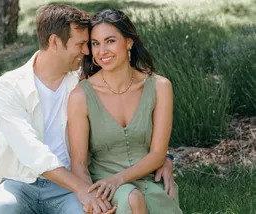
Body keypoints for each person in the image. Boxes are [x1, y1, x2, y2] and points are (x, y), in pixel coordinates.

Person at [0, 4, 175, 214]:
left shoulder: (80, 81)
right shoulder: (8, 87)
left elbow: (127, 108)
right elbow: (33, 153)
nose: (88, 51)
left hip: (67, 189)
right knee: (2, 210)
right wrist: (82, 189)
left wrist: (165, 158)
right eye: (82, 44)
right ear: (54, 42)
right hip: (19, 183)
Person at [68, 9, 182, 214]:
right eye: (95, 43)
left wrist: (119, 179)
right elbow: (78, 162)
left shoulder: (159, 87)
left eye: (110, 41)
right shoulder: (80, 96)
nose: (102, 51)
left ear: (129, 42)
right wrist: (92, 197)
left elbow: (158, 154)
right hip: (103, 186)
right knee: (131, 199)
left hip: (149, 180)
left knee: (145, 199)